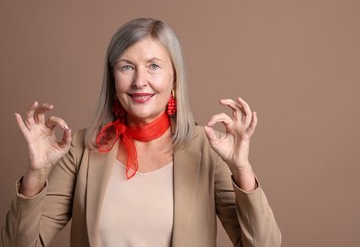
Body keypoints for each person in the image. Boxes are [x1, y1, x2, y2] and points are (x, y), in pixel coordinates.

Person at [1, 18, 281, 247]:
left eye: (154, 66)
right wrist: (36, 173)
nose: (139, 81)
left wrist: (241, 169)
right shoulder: (80, 148)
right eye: (127, 67)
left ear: (174, 78)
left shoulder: (207, 149)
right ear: (113, 78)